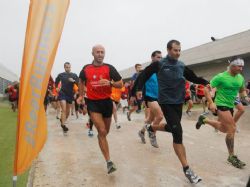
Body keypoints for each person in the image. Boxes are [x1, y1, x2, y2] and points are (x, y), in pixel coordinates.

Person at [135, 40, 209, 183]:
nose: (178, 52)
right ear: (168, 50)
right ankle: (187, 169)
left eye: (179, 50)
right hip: (165, 102)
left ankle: (151, 128)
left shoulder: (181, 65)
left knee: (173, 127)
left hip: (178, 102)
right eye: (175, 50)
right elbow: (143, 75)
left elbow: (193, 77)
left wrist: (206, 82)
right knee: (178, 132)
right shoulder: (159, 64)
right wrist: (138, 89)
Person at [196, 57, 249, 169]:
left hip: (230, 105)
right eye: (239, 66)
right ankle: (231, 156)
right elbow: (206, 89)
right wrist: (211, 102)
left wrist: (245, 97)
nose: (241, 68)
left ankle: (204, 120)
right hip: (220, 104)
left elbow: (241, 89)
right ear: (232, 66)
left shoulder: (240, 77)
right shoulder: (220, 77)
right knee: (231, 129)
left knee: (225, 129)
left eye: (242, 66)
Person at [78, 44, 123, 174]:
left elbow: (120, 83)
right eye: (97, 52)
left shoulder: (109, 68)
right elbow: (81, 81)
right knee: (102, 130)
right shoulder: (86, 69)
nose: (100, 54)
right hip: (93, 103)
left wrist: (110, 83)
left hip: (107, 103)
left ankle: (101, 139)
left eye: (102, 52)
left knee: (104, 132)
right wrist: (81, 96)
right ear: (92, 53)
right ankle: (109, 162)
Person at [136, 50, 163, 148]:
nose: (160, 59)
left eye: (161, 57)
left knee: (150, 119)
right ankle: (152, 134)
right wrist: (138, 92)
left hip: (158, 97)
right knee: (159, 116)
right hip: (149, 96)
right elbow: (139, 81)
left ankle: (141, 132)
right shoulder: (148, 70)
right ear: (152, 57)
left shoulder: (160, 69)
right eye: (158, 57)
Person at [55, 62, 79, 133]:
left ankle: (62, 120)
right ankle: (63, 125)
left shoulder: (74, 75)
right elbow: (56, 82)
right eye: (66, 67)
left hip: (70, 95)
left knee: (67, 112)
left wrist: (74, 81)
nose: (68, 68)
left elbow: (78, 82)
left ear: (70, 67)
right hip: (62, 93)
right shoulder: (61, 75)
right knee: (64, 109)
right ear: (64, 68)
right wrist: (56, 88)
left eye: (69, 67)